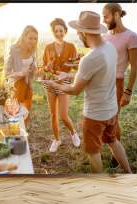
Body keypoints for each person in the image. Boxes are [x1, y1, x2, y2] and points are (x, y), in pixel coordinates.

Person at [42, 11, 132, 173]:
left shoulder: (89, 59)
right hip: (111, 110)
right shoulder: (110, 48)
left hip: (95, 116)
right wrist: (68, 74)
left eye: (78, 31)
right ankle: (129, 172)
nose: (77, 34)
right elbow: (94, 73)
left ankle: (98, 188)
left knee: (93, 152)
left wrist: (54, 85)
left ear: (84, 33)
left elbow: (75, 90)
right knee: (113, 142)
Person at [102, 3, 137, 168]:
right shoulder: (105, 37)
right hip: (102, 83)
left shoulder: (131, 37)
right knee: (105, 120)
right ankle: (113, 147)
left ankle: (116, 156)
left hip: (117, 84)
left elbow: (134, 68)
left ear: (116, 15)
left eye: (106, 16)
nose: (104, 20)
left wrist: (128, 91)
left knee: (113, 120)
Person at [42, 18, 81, 152]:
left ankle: (73, 132)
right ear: (53, 32)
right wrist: (47, 67)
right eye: (56, 31)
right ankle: (57, 139)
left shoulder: (71, 47)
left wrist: (75, 63)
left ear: (65, 31)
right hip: (51, 82)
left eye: (61, 30)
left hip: (64, 82)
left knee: (63, 115)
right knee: (53, 114)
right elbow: (44, 68)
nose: (58, 33)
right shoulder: (48, 48)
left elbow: (77, 67)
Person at [5, 25, 38, 126]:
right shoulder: (14, 49)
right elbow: (6, 73)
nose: (33, 41)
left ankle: (23, 136)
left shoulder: (33, 50)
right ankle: (15, 135)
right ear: (24, 37)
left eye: (35, 38)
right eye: (30, 38)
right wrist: (21, 73)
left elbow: (33, 68)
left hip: (28, 84)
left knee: (26, 112)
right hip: (15, 85)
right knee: (16, 113)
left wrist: (37, 70)